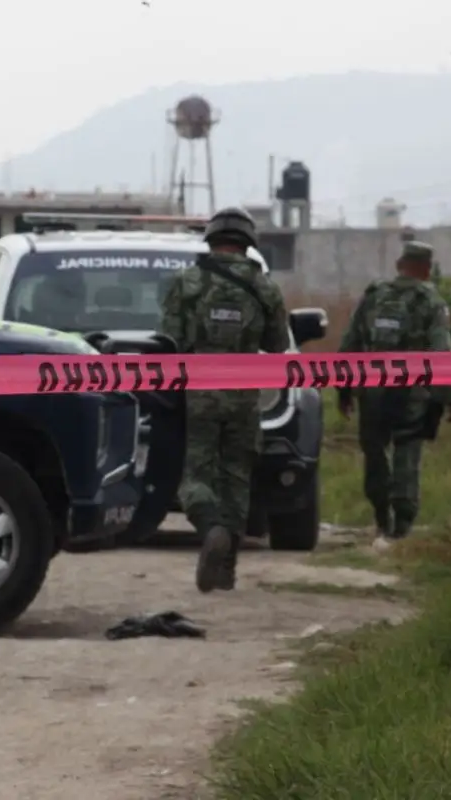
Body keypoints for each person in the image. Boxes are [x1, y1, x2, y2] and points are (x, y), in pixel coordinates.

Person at [158, 206, 291, 593]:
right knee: (237, 480)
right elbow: (278, 344)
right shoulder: (265, 287)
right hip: (244, 396)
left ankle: (210, 526)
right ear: (248, 242)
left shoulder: (189, 282)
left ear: (212, 237)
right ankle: (226, 569)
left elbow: (170, 342)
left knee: (195, 476)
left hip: (199, 392)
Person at [337, 240, 451, 547]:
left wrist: (344, 390)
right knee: (407, 454)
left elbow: (350, 343)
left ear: (399, 265)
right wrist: (450, 396)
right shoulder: (431, 301)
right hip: (411, 394)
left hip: (373, 390)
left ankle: (382, 518)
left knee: (375, 455)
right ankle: (402, 526)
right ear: (426, 269)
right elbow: (441, 352)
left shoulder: (374, 296)